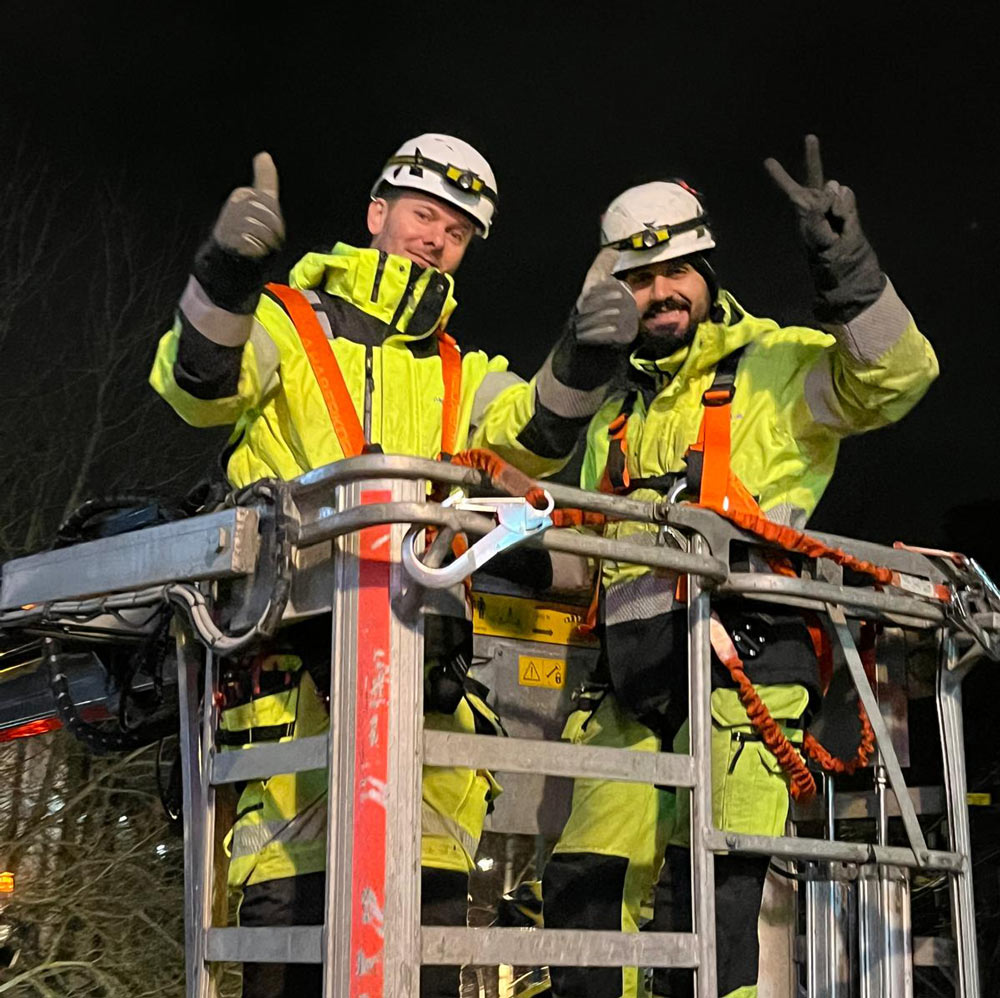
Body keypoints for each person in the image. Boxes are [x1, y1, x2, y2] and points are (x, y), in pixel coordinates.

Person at [149, 133, 615, 998]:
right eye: (424, 214)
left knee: (422, 962)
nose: (435, 238)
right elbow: (201, 386)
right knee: (286, 955)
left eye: (458, 231)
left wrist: (583, 357)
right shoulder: (286, 323)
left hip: (424, 743)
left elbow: (532, 436)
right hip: (296, 718)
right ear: (378, 214)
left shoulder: (456, 370)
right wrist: (224, 274)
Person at [526, 137, 939, 998]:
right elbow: (535, 485)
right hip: (627, 685)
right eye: (637, 280)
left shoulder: (776, 366)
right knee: (584, 893)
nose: (661, 292)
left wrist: (848, 268)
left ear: (708, 272)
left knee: (713, 909)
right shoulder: (612, 406)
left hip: (743, 674)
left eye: (676, 270)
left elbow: (896, 379)